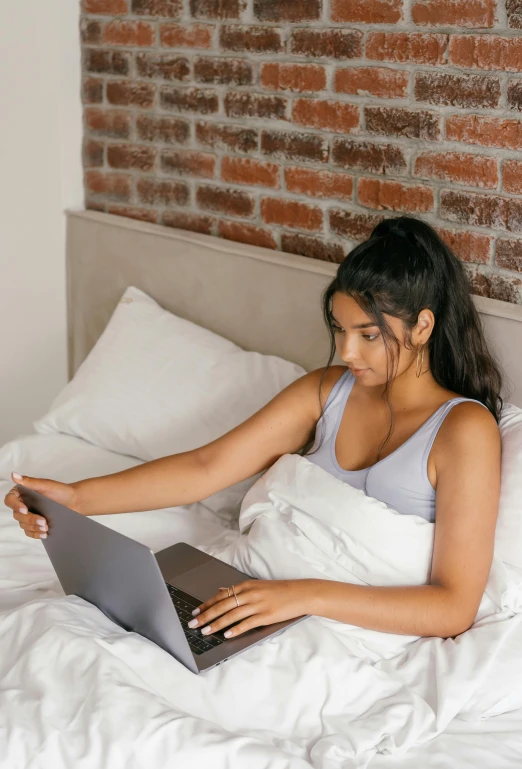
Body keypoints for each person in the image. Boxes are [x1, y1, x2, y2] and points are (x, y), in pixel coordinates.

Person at [4, 215, 503, 641]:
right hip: (254, 582)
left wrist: (299, 596)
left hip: (336, 624)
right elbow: (207, 467)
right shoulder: (327, 391)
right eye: (340, 330)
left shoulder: (463, 430)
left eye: (368, 335)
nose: (347, 352)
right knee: (57, 629)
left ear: (422, 326)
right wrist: (75, 499)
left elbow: (453, 607)